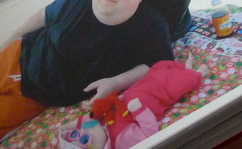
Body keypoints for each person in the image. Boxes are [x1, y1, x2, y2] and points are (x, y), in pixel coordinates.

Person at [0, 0, 174, 148]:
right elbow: (45, 15)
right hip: (13, 56)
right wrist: (12, 37)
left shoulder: (150, 25)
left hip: (31, 96)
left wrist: (116, 82)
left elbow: (160, 65)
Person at [58, 56, 205, 149]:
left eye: (76, 133)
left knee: (159, 66)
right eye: (85, 139)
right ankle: (198, 74)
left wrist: (66, 127)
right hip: (160, 95)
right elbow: (149, 132)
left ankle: (186, 68)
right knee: (181, 83)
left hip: (143, 85)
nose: (83, 131)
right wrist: (139, 111)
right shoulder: (121, 141)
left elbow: (85, 120)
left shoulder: (99, 123)